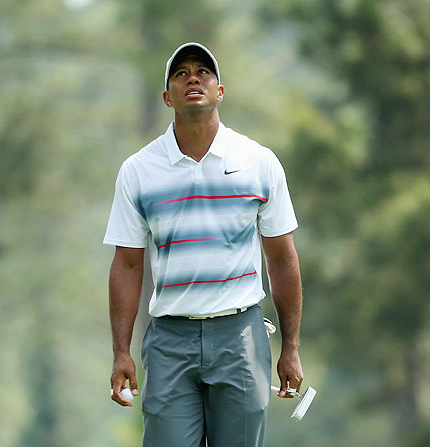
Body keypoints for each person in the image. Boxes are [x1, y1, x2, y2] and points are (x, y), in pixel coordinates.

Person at [103, 42, 304, 446]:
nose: (192, 78)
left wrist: (291, 346)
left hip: (240, 336)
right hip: (169, 339)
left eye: (203, 72)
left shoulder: (258, 162)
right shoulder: (139, 171)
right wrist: (121, 351)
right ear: (167, 97)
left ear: (219, 91)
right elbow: (126, 264)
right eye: (181, 74)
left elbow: (281, 259)